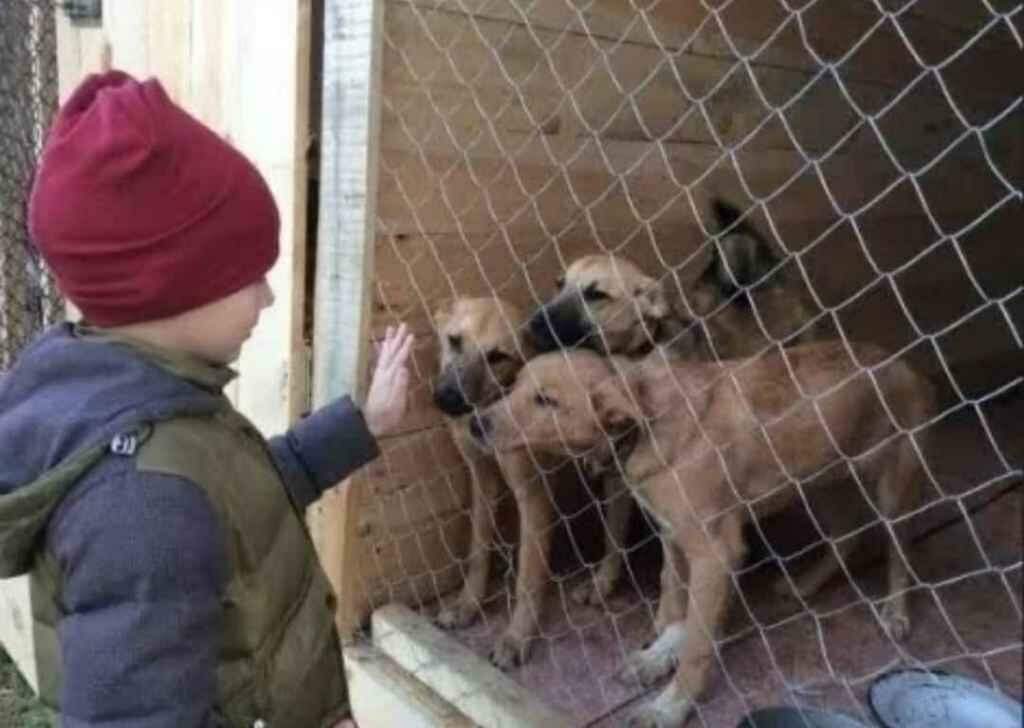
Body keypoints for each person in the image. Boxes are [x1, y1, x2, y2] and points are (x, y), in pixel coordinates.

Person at [0, 70, 412, 727]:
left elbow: (234, 500)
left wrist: (361, 426)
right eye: (252, 276)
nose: (269, 299)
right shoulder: (139, 499)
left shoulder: (142, 398)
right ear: (172, 287)